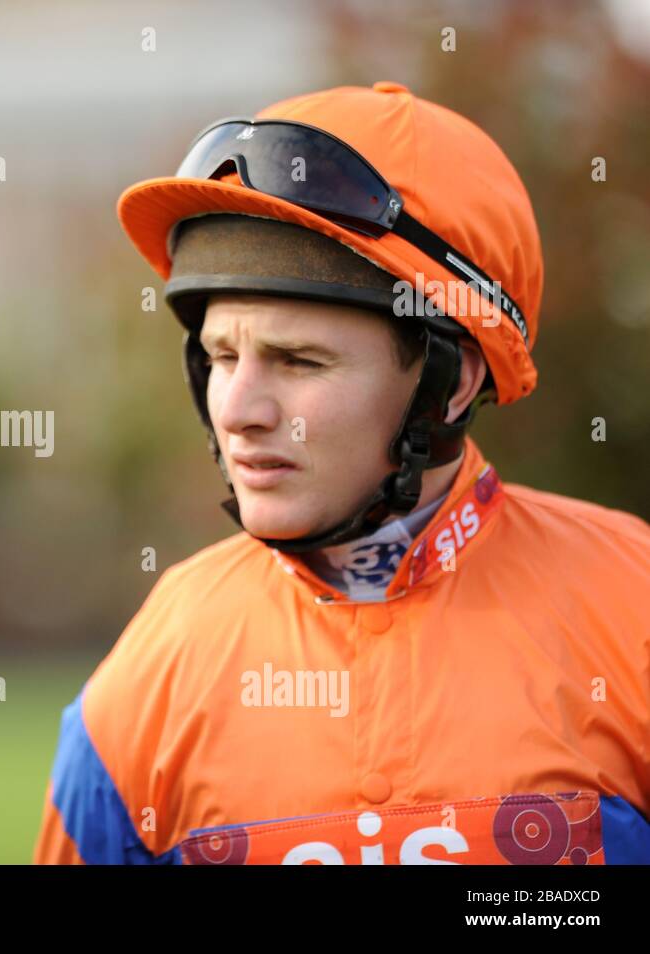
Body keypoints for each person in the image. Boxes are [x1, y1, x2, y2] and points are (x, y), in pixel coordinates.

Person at [34, 81, 650, 865]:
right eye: (224, 356)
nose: (242, 409)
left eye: (299, 360)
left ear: (449, 384)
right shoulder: (158, 659)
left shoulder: (633, 610)